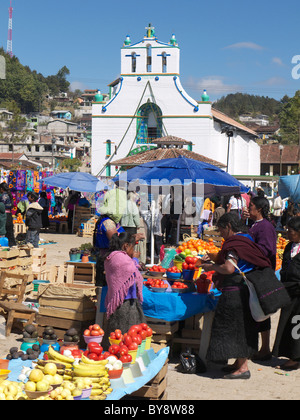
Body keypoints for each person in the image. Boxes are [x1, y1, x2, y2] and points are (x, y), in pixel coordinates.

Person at [197, 212, 271, 379]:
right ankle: (238, 363)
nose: (221, 234)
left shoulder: (234, 243)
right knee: (243, 327)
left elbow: (229, 268)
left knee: (236, 328)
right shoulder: (248, 239)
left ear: (229, 226)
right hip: (245, 289)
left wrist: (211, 267)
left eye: (222, 230)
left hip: (235, 291)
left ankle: (243, 368)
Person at [102, 232, 146, 349]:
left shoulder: (113, 256)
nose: (133, 251)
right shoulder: (120, 258)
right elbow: (131, 269)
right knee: (125, 334)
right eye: (132, 248)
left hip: (125, 300)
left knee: (119, 333)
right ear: (126, 246)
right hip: (124, 302)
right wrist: (135, 259)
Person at [248, 196, 277, 361]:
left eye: (251, 205)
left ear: (259, 208)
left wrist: (246, 248)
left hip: (262, 273)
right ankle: (259, 347)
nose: (248, 207)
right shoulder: (254, 225)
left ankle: (265, 348)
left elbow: (266, 250)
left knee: (262, 312)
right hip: (255, 273)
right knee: (257, 311)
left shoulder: (265, 227)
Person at [272, 216, 300, 370]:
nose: (287, 233)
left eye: (291, 231)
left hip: (299, 292)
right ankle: (291, 354)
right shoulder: (289, 247)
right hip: (289, 291)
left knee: (297, 323)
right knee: (287, 322)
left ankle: (295, 358)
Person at [0, 182, 16, 246]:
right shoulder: (9, 194)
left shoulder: (3, 196)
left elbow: (2, 206)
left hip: (4, 215)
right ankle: (12, 245)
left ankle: (7, 246)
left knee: (5, 231)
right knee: (10, 232)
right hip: (9, 214)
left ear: (1, 188)